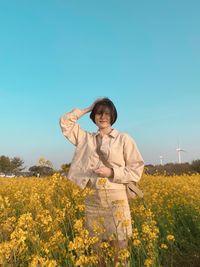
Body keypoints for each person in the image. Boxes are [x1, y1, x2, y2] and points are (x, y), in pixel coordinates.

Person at [59, 98, 144, 266]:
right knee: (96, 246)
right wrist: (88, 108)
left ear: (112, 116)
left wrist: (111, 172)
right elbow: (65, 123)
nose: (103, 117)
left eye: (106, 113)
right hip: (93, 198)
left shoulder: (124, 139)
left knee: (120, 243)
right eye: (99, 113)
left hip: (116, 197)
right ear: (94, 116)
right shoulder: (86, 139)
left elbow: (136, 169)